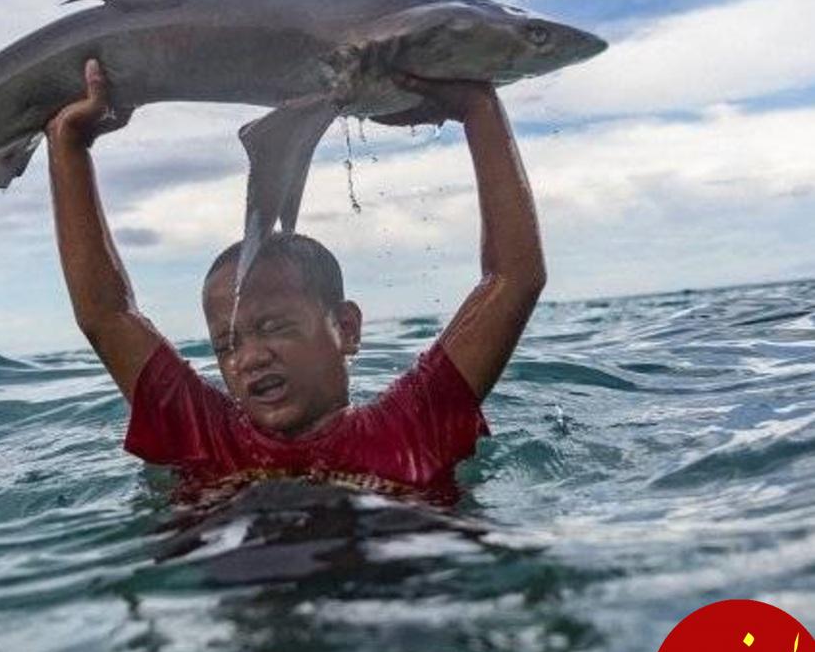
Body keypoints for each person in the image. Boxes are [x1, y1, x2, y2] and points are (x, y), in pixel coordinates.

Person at [46, 59, 545, 502]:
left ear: (346, 328)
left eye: (276, 327)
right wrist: (68, 144)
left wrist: (479, 109)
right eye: (226, 345)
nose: (250, 358)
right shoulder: (201, 434)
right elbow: (106, 313)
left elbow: (514, 277)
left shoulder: (414, 423)